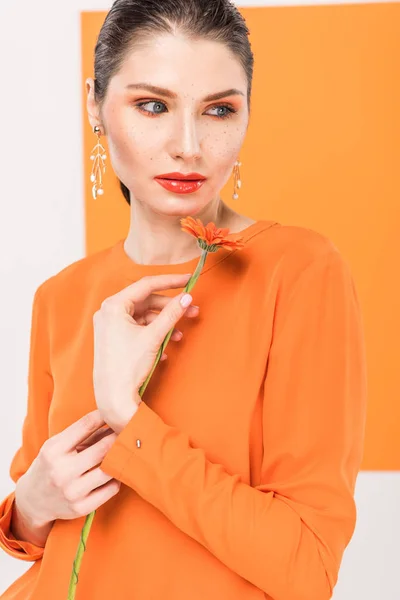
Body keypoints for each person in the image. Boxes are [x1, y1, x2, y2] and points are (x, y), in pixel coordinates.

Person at [0, 0, 367, 598]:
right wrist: (30, 507)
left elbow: (306, 568)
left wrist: (130, 419)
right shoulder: (61, 297)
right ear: (95, 103)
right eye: (153, 105)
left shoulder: (298, 271)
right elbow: (40, 534)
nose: (189, 145)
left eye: (219, 109)